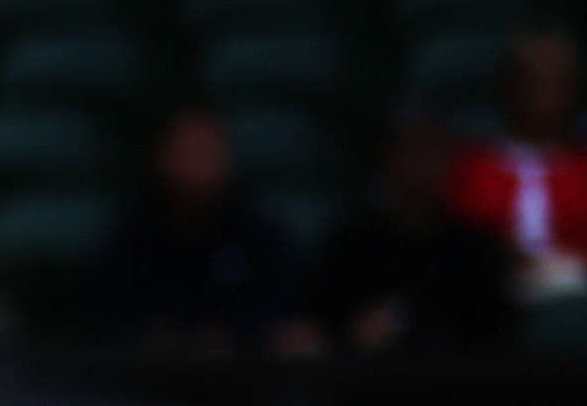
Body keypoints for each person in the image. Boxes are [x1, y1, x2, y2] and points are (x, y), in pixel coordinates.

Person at [89, 103, 311, 356]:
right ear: (159, 156)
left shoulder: (258, 234)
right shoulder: (130, 240)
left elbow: (283, 317)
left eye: (211, 151)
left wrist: (236, 336)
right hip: (147, 384)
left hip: (243, 383)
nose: (203, 163)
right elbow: (112, 322)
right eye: (190, 151)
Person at [310, 113, 514, 355]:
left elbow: (496, 338)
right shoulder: (348, 247)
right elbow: (316, 329)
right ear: (385, 158)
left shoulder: (477, 251)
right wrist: (351, 333)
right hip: (367, 384)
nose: (423, 161)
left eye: (433, 149)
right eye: (410, 148)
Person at [444, 29, 587, 295]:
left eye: (555, 80)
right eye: (532, 79)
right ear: (510, 84)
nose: (543, 92)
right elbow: (461, 239)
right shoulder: (474, 166)